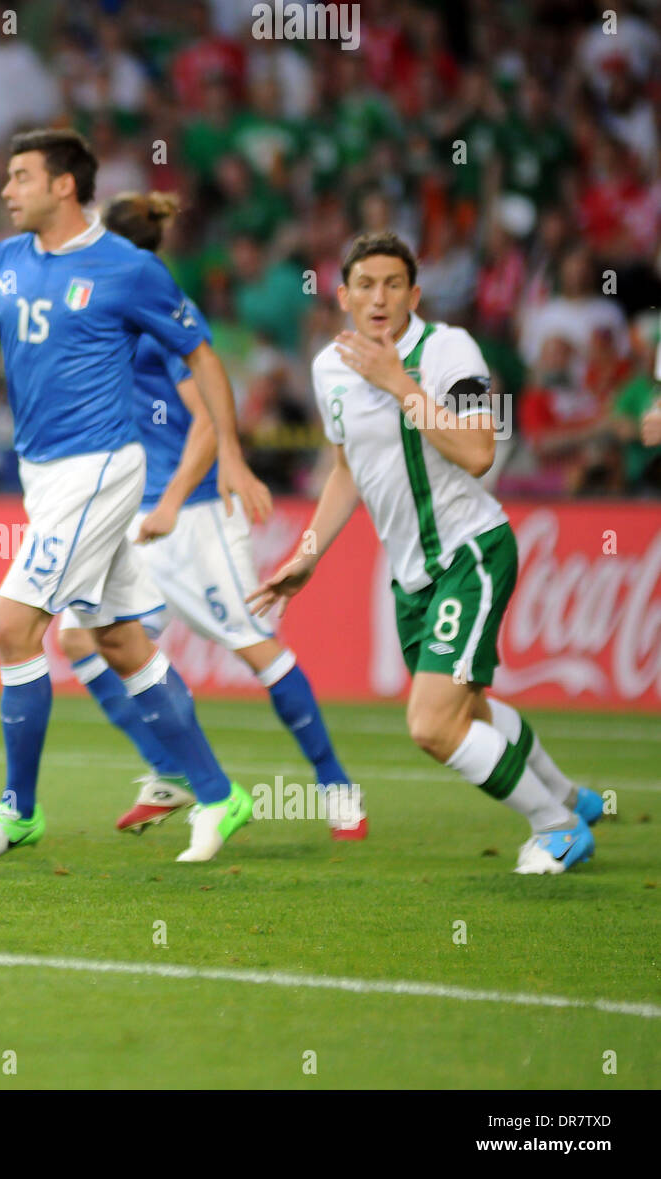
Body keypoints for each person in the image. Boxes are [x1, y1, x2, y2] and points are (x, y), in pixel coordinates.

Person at [0, 129, 270, 864]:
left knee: (12, 626)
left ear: (62, 185)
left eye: (19, 176)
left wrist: (233, 451)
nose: (5, 190)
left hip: (101, 468)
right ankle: (220, 795)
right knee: (118, 639)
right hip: (41, 473)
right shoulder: (1, 263)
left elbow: (202, 355)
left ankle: (18, 811)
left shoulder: (128, 269)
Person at [248, 231, 602, 875]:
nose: (378, 297)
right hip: (412, 576)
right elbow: (346, 468)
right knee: (470, 707)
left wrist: (400, 383)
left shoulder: (451, 350)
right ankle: (571, 795)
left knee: (433, 726)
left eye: (392, 284)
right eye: (364, 285)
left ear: (414, 294)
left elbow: (479, 450)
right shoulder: (330, 366)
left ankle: (558, 827)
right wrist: (308, 552)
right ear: (343, 295)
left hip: (470, 553)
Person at [55, 192, 362, 840]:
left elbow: (205, 410)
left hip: (189, 513)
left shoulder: (166, 309)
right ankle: (170, 769)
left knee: (254, 644)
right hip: (133, 510)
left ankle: (337, 786)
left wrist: (195, 484)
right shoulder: (105, 311)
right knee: (81, 636)